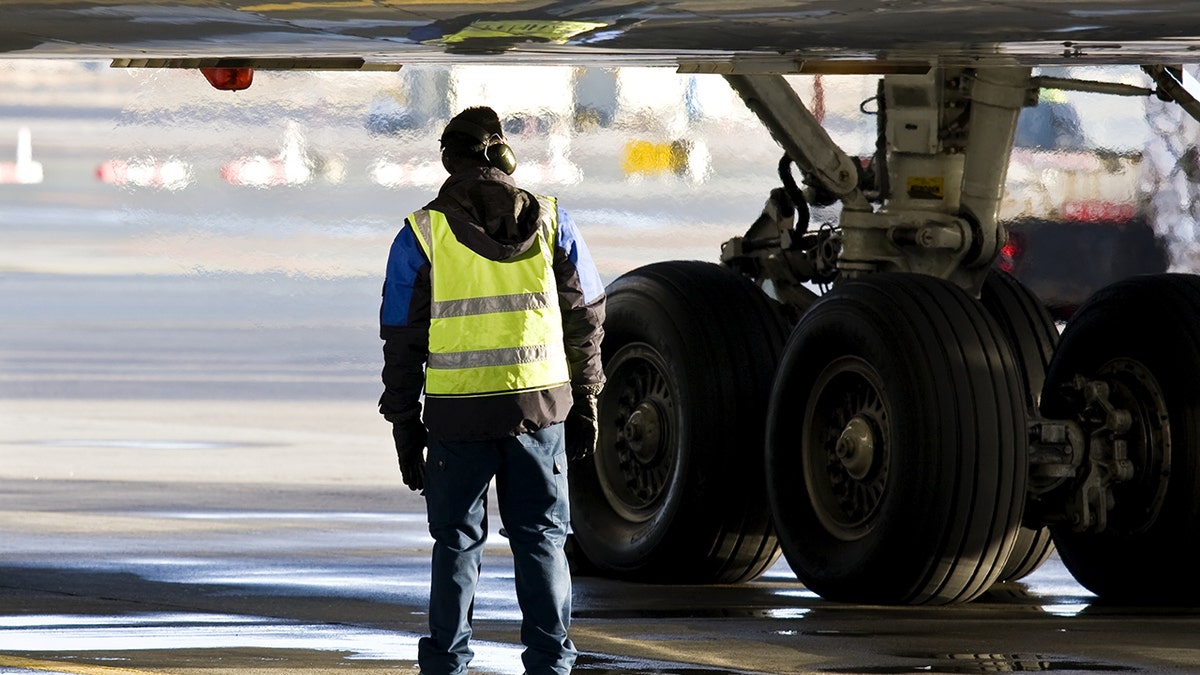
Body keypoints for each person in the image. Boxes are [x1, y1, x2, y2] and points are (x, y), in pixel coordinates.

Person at [378, 105, 606, 675]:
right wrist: (589, 397)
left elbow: (401, 340)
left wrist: (405, 425)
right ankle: (552, 666)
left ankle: (445, 666)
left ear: (449, 162)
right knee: (543, 540)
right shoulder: (555, 220)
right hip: (540, 411)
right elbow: (588, 318)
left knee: (456, 544)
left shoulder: (420, 234)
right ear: (503, 155)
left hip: (458, 420)